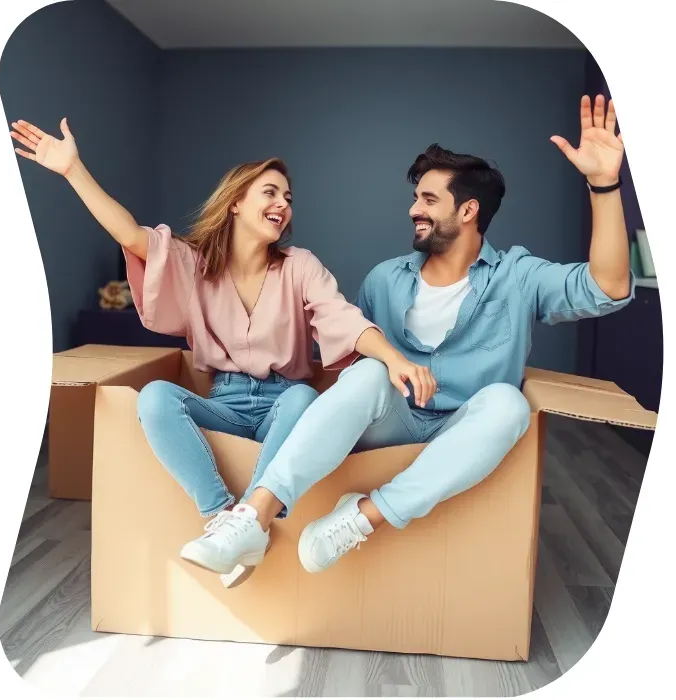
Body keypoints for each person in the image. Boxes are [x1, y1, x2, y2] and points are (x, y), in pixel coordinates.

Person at [194, 94, 634, 576]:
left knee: (509, 404)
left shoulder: (518, 276)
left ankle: (362, 517)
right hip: (392, 425)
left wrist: (604, 184)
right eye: (415, 198)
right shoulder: (386, 279)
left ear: (468, 211)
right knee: (365, 377)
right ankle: (251, 518)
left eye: (428, 200)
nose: (412, 210)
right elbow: (345, 362)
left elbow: (608, 288)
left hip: (464, 429)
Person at [9, 117, 436, 582]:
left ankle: (252, 520)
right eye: (270, 192)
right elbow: (131, 235)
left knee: (302, 397)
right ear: (235, 203)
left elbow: (343, 318)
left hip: (284, 404)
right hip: (224, 405)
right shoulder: (194, 264)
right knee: (154, 396)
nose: (282, 204)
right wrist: (73, 170)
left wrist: (394, 359)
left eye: (288, 198)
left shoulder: (300, 266)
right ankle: (222, 516)